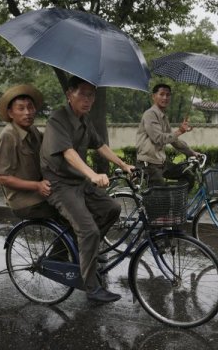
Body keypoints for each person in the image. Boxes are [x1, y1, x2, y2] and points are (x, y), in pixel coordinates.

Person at [40, 75, 135, 303]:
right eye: (83, 93)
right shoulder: (58, 119)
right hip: (60, 185)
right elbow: (68, 153)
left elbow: (100, 145)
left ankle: (85, 252)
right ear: (69, 94)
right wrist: (92, 174)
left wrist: (123, 165)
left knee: (112, 208)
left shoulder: (84, 120)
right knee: (89, 231)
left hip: (78, 182)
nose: (88, 99)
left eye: (92, 95)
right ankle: (92, 288)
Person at [0, 84, 56, 219]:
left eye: (30, 107)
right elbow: (2, 178)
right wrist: (37, 186)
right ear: (10, 113)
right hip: (24, 202)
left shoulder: (33, 130)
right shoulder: (8, 136)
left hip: (42, 193)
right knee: (70, 213)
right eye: (21, 108)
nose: (27, 112)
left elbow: (52, 142)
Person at [136, 83, 200, 188]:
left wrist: (192, 153)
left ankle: (179, 203)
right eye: (161, 94)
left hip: (161, 163)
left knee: (188, 175)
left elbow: (174, 140)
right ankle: (163, 203)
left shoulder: (163, 117)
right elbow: (158, 138)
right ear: (153, 96)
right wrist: (179, 131)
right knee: (163, 194)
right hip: (148, 164)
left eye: (168, 95)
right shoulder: (150, 114)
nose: (165, 97)